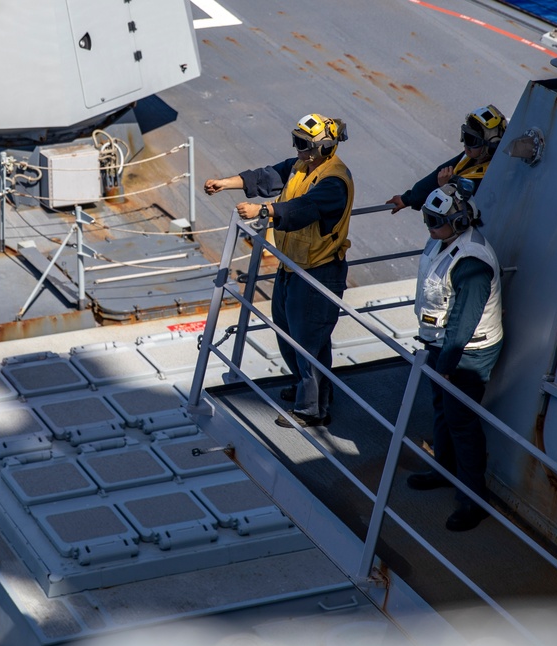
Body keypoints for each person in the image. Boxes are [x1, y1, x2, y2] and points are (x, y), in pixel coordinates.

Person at [204, 113, 354, 428]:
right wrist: (225, 183)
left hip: (318, 272)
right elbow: (267, 176)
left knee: (308, 340)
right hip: (293, 267)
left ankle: (312, 410)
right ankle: (308, 387)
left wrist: (265, 210)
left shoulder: (334, 181)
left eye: (303, 143)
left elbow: (306, 208)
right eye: (296, 141)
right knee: (288, 332)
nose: (297, 148)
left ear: (323, 148)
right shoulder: (301, 166)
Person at [407, 181, 503, 532]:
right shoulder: (444, 241)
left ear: (460, 221)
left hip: (465, 355)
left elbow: (464, 321)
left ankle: (473, 501)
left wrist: (446, 366)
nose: (430, 227)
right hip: (441, 347)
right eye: (427, 220)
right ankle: (444, 470)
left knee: (461, 422)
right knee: (443, 411)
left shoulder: (472, 263)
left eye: (436, 221)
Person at [385, 104, 506, 214]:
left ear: (490, 146)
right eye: (464, 135)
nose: (464, 143)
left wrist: (445, 188)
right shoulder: (472, 157)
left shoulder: (493, 177)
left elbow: (469, 213)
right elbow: (439, 174)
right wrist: (408, 199)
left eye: (471, 140)